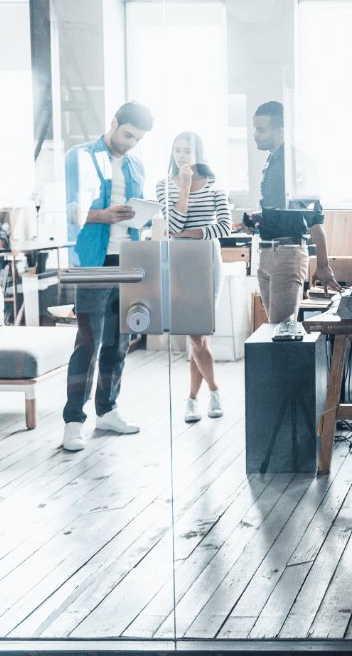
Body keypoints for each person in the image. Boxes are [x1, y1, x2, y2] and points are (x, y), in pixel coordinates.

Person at [61, 102, 153, 453]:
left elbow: (135, 214)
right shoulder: (80, 157)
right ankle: (73, 422)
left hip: (127, 258)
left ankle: (108, 410)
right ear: (113, 124)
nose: (131, 143)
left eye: (138, 138)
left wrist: (139, 216)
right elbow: (69, 208)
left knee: (119, 342)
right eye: (128, 134)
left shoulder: (136, 165)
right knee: (88, 342)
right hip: (91, 262)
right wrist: (103, 215)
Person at [156, 132, 232, 423]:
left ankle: (191, 399)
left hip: (208, 260)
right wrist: (185, 187)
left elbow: (224, 227)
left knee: (199, 335)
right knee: (196, 334)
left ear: (199, 153)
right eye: (177, 150)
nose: (181, 155)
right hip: (181, 263)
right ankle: (213, 390)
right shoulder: (163, 185)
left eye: (187, 150)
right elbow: (172, 223)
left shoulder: (214, 186)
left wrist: (188, 233)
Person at [244, 100, 341, 325]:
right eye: (254, 129)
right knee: (276, 330)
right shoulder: (272, 162)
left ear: (280, 131)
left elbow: (314, 217)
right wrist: (257, 219)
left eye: (261, 129)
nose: (255, 135)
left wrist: (323, 264)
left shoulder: (297, 164)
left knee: (282, 331)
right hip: (268, 253)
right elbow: (281, 213)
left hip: (287, 254)